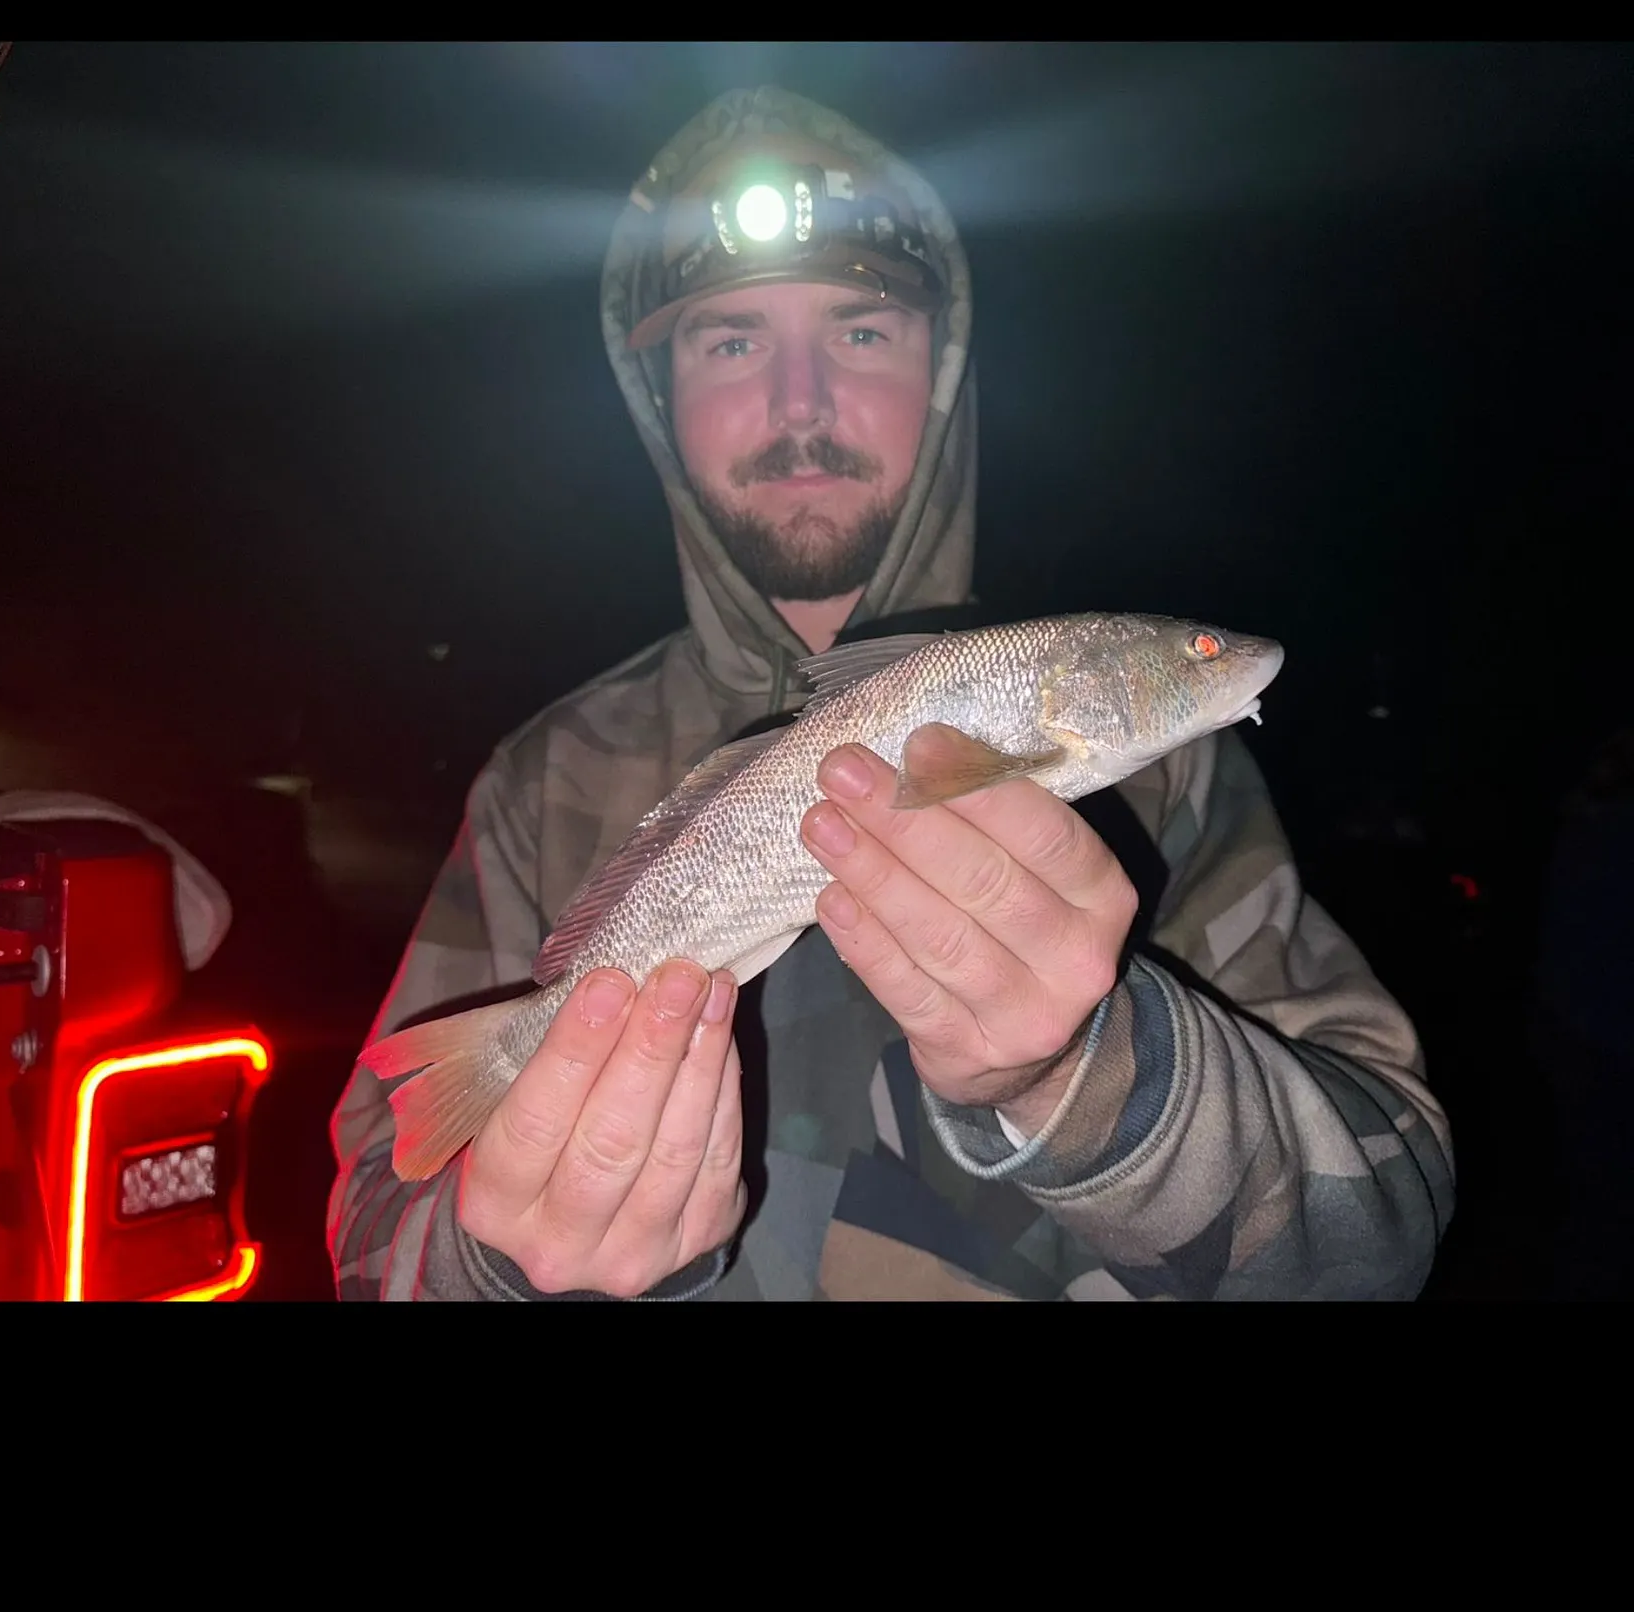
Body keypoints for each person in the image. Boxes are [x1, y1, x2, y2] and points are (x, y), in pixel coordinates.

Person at [327, 85, 1454, 1301]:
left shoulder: (1171, 774)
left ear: (945, 371)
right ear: (658, 400)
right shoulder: (539, 784)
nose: (799, 400)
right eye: (732, 340)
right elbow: (369, 1226)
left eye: (860, 330)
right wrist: (499, 1262)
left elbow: (1381, 1234)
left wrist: (1103, 1085)